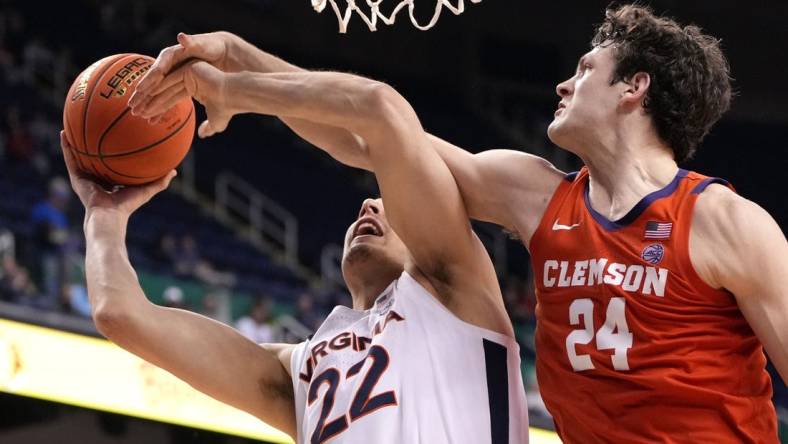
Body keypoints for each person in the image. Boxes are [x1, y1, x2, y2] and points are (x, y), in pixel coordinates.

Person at [130, 4, 787, 442]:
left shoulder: (722, 222)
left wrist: (238, 89)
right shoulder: (537, 194)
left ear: (634, 88)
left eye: (585, 69)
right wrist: (241, 60)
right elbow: (373, 138)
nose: (563, 83)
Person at [66, 57, 529, 443]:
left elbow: (380, 109)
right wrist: (103, 217)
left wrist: (236, 76)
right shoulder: (301, 369)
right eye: (369, 200)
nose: (369, 201)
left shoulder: (456, 290)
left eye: (388, 204)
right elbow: (119, 314)